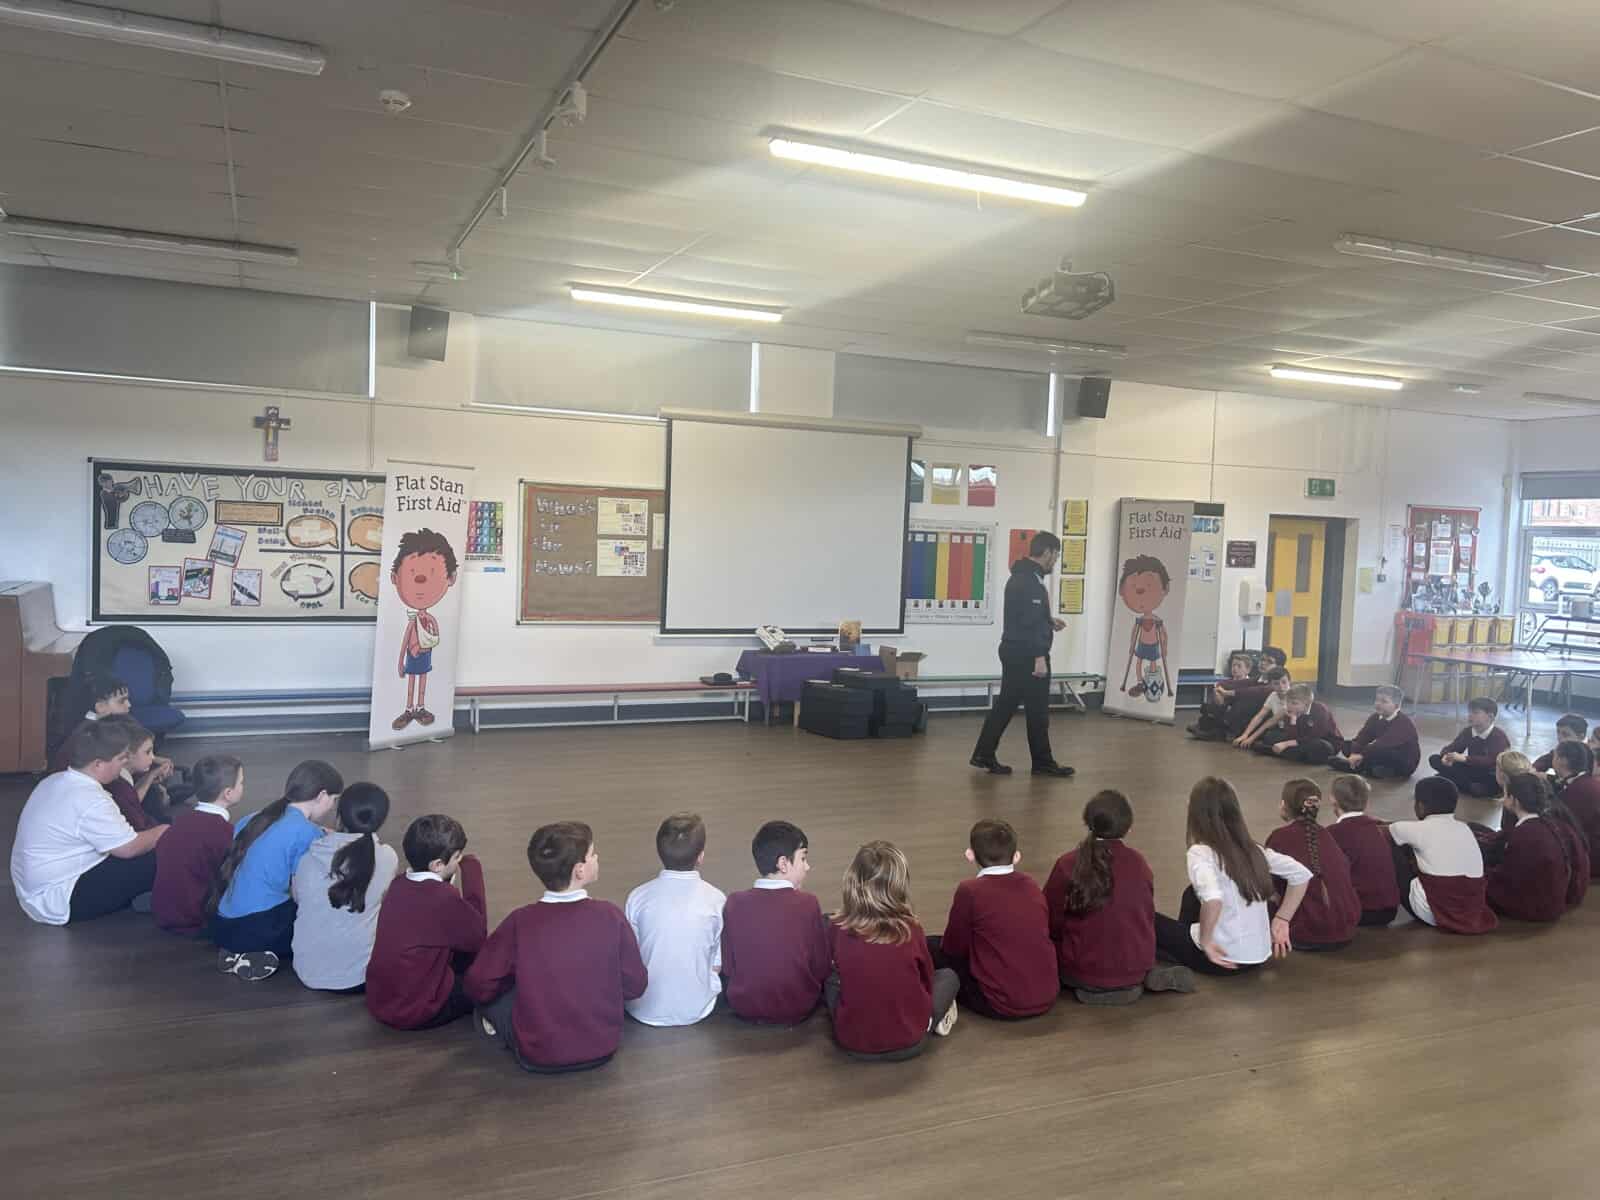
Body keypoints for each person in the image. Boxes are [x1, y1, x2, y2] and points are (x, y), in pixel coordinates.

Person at [466, 822, 646, 1073]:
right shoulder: (610, 916)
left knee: (491, 1003)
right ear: (579, 870)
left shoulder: (520, 921)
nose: (597, 857)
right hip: (602, 1047)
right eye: (592, 854)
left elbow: (479, 984)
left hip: (538, 1054)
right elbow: (635, 985)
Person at [1043, 790, 1193, 1004]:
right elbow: (1145, 913)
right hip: (1134, 967)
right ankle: (1141, 976)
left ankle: (1097, 985)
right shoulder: (1139, 863)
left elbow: (1049, 918)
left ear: (1087, 822)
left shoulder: (1068, 864)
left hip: (1083, 972)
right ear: (1128, 827)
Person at [10, 721, 167, 925]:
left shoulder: (54, 780)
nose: (124, 764)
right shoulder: (90, 799)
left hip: (34, 890)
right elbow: (129, 848)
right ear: (98, 764)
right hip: (62, 897)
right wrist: (164, 831)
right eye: (120, 759)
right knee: (165, 852)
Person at [1152, 777, 1312, 977]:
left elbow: (1213, 899)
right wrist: (1282, 918)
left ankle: (1170, 957)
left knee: (1147, 918)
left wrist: (1207, 942)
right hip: (1258, 956)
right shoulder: (1254, 850)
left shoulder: (1200, 852)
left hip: (1219, 959)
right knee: (1191, 893)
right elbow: (1301, 874)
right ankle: (1180, 946)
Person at [206, 760, 343, 981]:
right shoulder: (307, 833)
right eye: (334, 800)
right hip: (256, 927)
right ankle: (256, 952)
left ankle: (236, 951)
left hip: (222, 925)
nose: (332, 808)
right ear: (321, 795)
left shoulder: (254, 818)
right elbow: (300, 894)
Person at [826, 841, 959, 1060]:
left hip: (854, 1043)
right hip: (911, 1041)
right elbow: (926, 979)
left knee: (831, 981)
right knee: (949, 977)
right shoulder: (912, 930)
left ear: (852, 880)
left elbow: (831, 967)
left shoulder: (837, 927)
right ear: (900, 885)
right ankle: (934, 1019)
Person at [927, 819, 1057, 1019]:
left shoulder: (970, 891)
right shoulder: (1031, 885)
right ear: (1016, 856)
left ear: (970, 855)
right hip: (1047, 995)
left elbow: (953, 947)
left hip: (998, 1003)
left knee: (930, 946)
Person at [366, 815, 487, 1030]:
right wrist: (472, 871)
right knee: (490, 979)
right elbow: (478, 936)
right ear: (437, 864)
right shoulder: (442, 897)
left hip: (381, 1000)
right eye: (457, 857)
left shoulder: (398, 884)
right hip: (416, 1010)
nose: (460, 860)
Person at [970, 531, 1073, 778]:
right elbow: (1028, 623)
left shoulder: (1022, 576)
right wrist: (1039, 657)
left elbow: (1026, 617)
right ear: (1047, 552)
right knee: (1037, 711)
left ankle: (983, 753)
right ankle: (1043, 763)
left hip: (1014, 650)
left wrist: (1048, 621)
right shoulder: (1030, 582)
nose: (1056, 561)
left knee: (1006, 705)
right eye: (1056, 555)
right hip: (1027, 655)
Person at [290, 783, 398, 993]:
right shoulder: (388, 857)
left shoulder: (309, 858)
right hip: (362, 975)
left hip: (309, 971)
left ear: (339, 817)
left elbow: (297, 898)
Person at [720, 820, 830, 1025]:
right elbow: (821, 967)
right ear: (783, 863)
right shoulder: (808, 903)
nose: (807, 866)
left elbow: (728, 967)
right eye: (803, 858)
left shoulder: (734, 903)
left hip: (744, 1005)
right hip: (799, 1004)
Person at [624, 813, 727, 1028]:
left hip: (643, 1007)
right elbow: (717, 964)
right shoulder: (717, 899)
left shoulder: (638, 897)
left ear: (659, 852)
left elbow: (631, 956)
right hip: (697, 1007)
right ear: (700, 857)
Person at [1388, 777, 1496, 934]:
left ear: (1420, 806)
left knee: (1391, 844)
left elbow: (1385, 830)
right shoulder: (1465, 828)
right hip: (1470, 911)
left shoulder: (1413, 829)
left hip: (1432, 913)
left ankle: (1379, 902)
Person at [152, 755, 244, 937]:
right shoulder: (223, 832)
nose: (243, 786)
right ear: (228, 793)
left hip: (163, 911)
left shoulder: (179, 821)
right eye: (241, 783)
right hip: (194, 918)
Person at [1264, 780, 1360, 950]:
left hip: (1305, 933)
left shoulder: (1278, 837)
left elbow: (1269, 886)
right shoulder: (1326, 834)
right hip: (1346, 929)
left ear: (1284, 805)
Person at [1485, 773, 1589, 922]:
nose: (1503, 799)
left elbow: (1507, 878)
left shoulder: (1524, 833)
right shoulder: (1549, 823)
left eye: (1506, 795)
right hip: (1554, 901)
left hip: (1535, 908)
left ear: (1515, 800)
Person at [1327, 775, 1401, 926]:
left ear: (1333, 800)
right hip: (1390, 911)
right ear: (1366, 802)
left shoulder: (1332, 834)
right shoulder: (1381, 828)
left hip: (1360, 911)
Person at [1328, 685, 1421, 779]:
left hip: (1403, 760)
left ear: (1396, 706)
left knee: (1380, 751)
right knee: (1347, 745)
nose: (1378, 704)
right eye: (1377, 700)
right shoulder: (1375, 717)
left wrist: (1361, 755)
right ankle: (1368, 767)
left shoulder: (1403, 723)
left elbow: (1382, 744)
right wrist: (1354, 752)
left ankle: (1359, 767)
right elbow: (1362, 737)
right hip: (1379, 752)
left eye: (1384, 701)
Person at [1116, 555, 1174, 702]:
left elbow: (1164, 634)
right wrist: (1131, 645)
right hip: (1142, 644)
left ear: (1165, 589)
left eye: (1149, 586)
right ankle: (1140, 682)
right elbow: (1134, 632)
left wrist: (1164, 647)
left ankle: (1152, 681)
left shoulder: (1157, 621)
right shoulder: (1140, 620)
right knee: (1138, 661)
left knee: (1153, 663)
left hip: (1153, 645)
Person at [1429, 697, 1510, 799]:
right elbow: (1452, 747)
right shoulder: (1468, 731)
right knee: (1435, 759)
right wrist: (1446, 755)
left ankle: (1451, 780)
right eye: (1469, 712)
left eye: (1475, 713)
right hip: (1472, 769)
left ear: (1490, 717)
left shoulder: (1499, 736)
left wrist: (1465, 759)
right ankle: (1460, 783)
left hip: (1490, 773)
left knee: (1490, 783)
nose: (1470, 716)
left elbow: (1492, 760)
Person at [96, 716, 165, 832]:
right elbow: (135, 812)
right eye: (147, 752)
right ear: (127, 755)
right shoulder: (118, 784)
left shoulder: (122, 778)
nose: (153, 757)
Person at [1251, 684, 1342, 765]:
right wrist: (1293, 721)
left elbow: (1314, 736)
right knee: (1270, 735)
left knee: (1321, 747)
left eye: (1294, 703)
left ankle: (1272, 751)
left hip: (1324, 742)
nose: (1289, 706)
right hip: (1301, 742)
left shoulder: (1321, 710)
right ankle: (1289, 753)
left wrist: (1286, 744)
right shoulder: (1291, 712)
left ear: (1307, 704)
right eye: (1287, 702)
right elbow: (1292, 737)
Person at [1552, 742, 1600, 876]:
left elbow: (1564, 830)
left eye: (1554, 756)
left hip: (1591, 859)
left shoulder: (1573, 793)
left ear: (1562, 760)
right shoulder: (1590, 782)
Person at [1187, 652, 1255, 742]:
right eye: (1233, 665)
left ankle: (1213, 731)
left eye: (1239, 666)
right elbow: (1220, 702)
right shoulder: (1225, 682)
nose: (1235, 668)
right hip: (1223, 710)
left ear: (1247, 670)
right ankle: (1208, 728)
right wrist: (1217, 695)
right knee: (1208, 707)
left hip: (1238, 714)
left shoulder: (1251, 684)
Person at [1232, 667, 1291, 750]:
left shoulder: (1293, 696)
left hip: (1295, 731)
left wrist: (1251, 738)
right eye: (1276, 683)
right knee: (1267, 736)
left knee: (1267, 739)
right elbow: (1259, 716)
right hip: (1281, 729)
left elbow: (1271, 721)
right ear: (1271, 685)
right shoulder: (1273, 696)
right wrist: (1245, 735)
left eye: (1284, 682)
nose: (1281, 686)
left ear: (1289, 681)